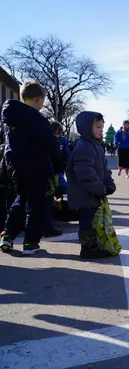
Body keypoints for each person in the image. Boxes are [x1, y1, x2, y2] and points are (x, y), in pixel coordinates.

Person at [0, 82, 61, 254]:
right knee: (36, 204)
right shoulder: (37, 119)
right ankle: (31, 242)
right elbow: (50, 145)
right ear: (38, 99)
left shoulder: (10, 117)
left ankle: (7, 235)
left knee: (21, 199)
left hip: (14, 166)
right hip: (36, 166)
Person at [66, 111, 116, 259]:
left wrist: (109, 183)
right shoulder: (83, 148)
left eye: (102, 128)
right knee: (87, 221)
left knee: (94, 220)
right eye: (98, 128)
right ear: (87, 128)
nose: (101, 131)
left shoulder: (96, 146)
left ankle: (94, 244)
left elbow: (105, 169)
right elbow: (85, 175)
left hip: (94, 193)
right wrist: (101, 189)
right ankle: (87, 248)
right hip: (85, 195)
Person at [43, 121, 70, 238]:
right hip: (49, 173)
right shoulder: (47, 140)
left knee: (61, 190)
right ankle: (49, 221)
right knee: (49, 197)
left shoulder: (61, 141)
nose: (57, 134)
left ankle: (57, 211)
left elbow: (68, 155)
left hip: (56, 172)